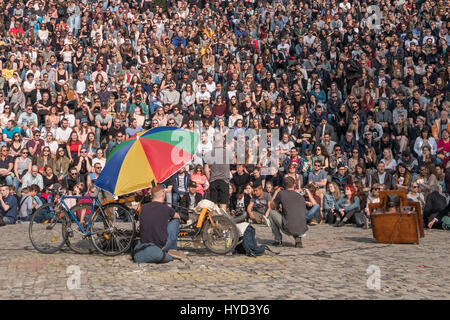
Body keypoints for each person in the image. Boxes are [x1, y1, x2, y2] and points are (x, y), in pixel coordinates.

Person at [134, 185, 185, 263]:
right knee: (175, 220)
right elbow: (177, 216)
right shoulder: (166, 208)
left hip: (145, 244)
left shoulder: (143, 207)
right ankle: (173, 249)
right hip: (161, 246)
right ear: (162, 194)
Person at [268, 176, 308, 248]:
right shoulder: (300, 196)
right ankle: (298, 238)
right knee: (295, 217)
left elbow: (272, 206)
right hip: (302, 229)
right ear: (294, 184)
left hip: (288, 228)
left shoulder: (281, 194)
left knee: (271, 212)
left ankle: (278, 240)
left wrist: (276, 193)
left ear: (283, 185)